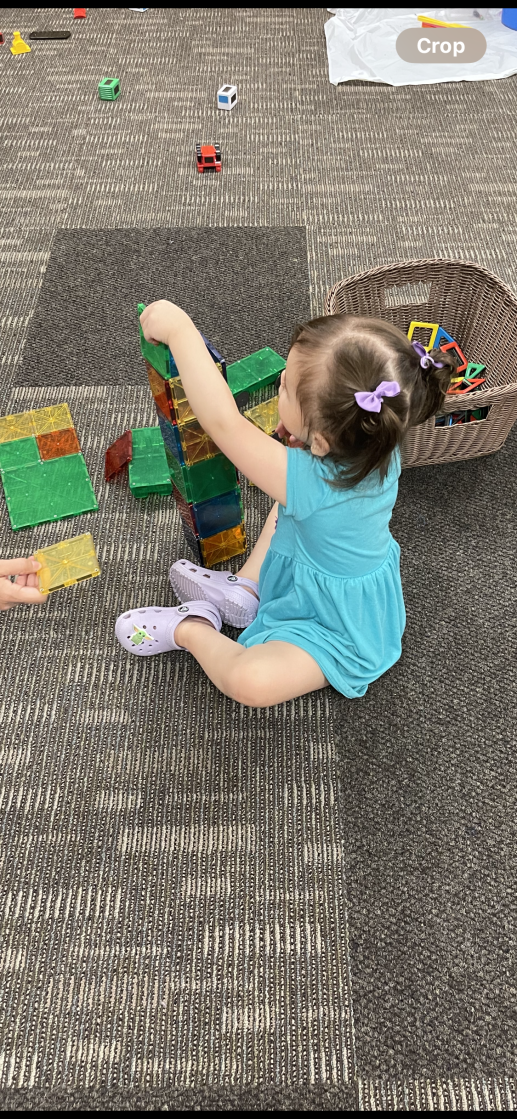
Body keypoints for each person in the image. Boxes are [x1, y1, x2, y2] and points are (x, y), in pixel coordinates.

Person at [115, 302, 456, 707]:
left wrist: (180, 331)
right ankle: (246, 585)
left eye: (284, 388)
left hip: (337, 628)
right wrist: (302, 430)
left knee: (250, 682)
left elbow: (223, 421)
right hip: (326, 571)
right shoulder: (379, 437)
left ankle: (190, 627)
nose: (279, 384)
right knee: (288, 504)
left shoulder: (306, 479)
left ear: (322, 441)